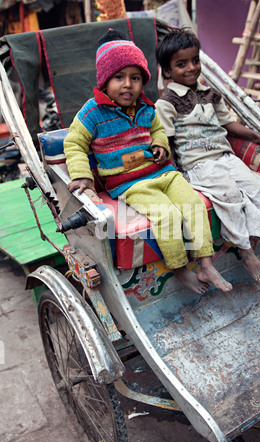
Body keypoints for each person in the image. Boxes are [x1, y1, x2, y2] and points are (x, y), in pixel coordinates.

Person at [64, 28, 233, 294]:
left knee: (193, 204)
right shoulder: (91, 113)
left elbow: (157, 131)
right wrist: (83, 176)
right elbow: (74, 143)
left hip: (164, 172)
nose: (128, 84)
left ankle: (206, 263)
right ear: (105, 80)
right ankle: (179, 269)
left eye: (135, 78)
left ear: (144, 81)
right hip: (130, 184)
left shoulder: (146, 107)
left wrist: (159, 145)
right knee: (166, 215)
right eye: (119, 77)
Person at [155, 28, 260, 281]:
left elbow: (227, 123)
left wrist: (256, 135)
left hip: (226, 157)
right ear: (167, 71)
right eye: (181, 64)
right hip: (198, 164)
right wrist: (175, 174)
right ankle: (246, 252)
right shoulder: (167, 102)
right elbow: (165, 140)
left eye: (195, 61)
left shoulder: (210, 93)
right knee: (229, 195)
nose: (191, 68)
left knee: (258, 187)